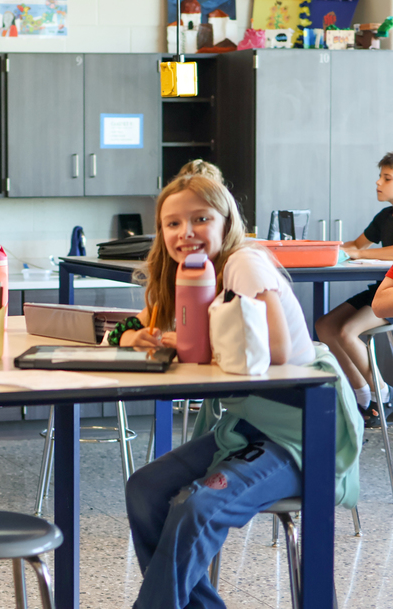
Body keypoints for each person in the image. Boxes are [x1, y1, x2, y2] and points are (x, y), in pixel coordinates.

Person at [119, 173, 362, 609]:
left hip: (298, 434)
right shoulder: (192, 273)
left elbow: (277, 348)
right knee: (145, 488)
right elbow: (144, 325)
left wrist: (197, 342)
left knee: (197, 509)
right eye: (172, 224)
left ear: (226, 220)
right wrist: (132, 336)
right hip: (248, 427)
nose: (185, 232)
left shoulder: (242, 263)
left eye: (200, 218)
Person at [316, 152, 393, 427]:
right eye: (380, 177)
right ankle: (363, 398)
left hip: (390, 298)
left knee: (347, 331)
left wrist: (358, 255)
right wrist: (324, 249)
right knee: (325, 325)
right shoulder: (384, 215)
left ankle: (383, 396)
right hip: (379, 290)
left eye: (387, 178)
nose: (378, 183)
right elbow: (357, 246)